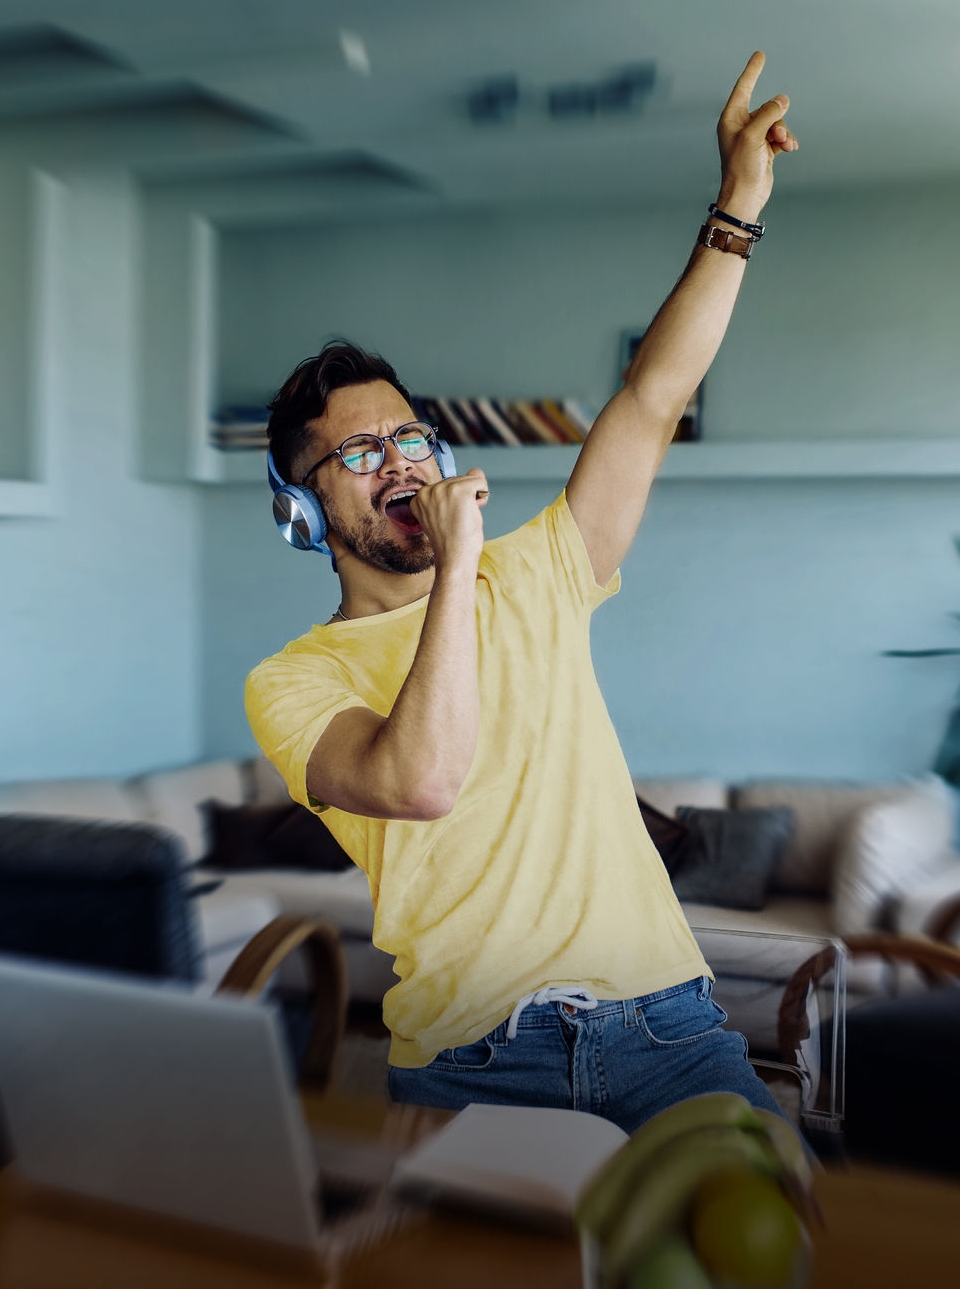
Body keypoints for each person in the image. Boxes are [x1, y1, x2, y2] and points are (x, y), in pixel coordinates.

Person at [247, 52, 799, 1132]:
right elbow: (421, 780)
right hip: (472, 1056)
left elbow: (651, 396)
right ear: (302, 513)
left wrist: (737, 206)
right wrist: (458, 569)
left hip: (670, 1030)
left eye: (410, 434)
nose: (401, 459)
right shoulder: (294, 681)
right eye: (360, 452)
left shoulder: (537, 566)